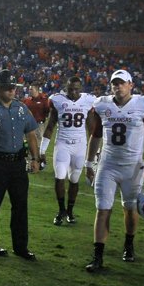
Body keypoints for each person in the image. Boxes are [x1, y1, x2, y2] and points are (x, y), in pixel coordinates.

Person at [84, 69, 144, 272]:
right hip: (107, 165)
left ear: (130, 85)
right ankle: (98, 257)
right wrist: (88, 164)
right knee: (103, 208)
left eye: (122, 83)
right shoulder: (103, 104)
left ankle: (129, 243)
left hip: (133, 168)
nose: (118, 86)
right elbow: (96, 136)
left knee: (130, 208)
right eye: (114, 83)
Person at [0, 69, 40, 261]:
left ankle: (20, 247)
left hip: (18, 164)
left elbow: (31, 133)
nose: (12, 90)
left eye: (14, 87)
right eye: (8, 88)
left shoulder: (22, 108)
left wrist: (35, 158)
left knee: (21, 206)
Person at [41, 76, 96, 225]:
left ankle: (70, 211)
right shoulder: (58, 100)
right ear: (66, 87)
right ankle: (61, 210)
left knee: (74, 180)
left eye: (76, 89)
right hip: (62, 144)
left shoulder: (87, 101)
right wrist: (42, 151)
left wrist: (94, 154)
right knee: (59, 176)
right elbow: (50, 126)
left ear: (81, 89)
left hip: (80, 145)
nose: (73, 92)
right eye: (70, 89)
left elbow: (92, 130)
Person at [23, 83, 50, 150]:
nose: (29, 90)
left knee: (38, 144)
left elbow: (48, 111)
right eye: (29, 89)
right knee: (27, 143)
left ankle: (38, 158)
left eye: (31, 89)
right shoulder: (27, 100)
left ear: (37, 90)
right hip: (28, 125)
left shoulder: (44, 99)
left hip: (39, 125)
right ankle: (28, 159)